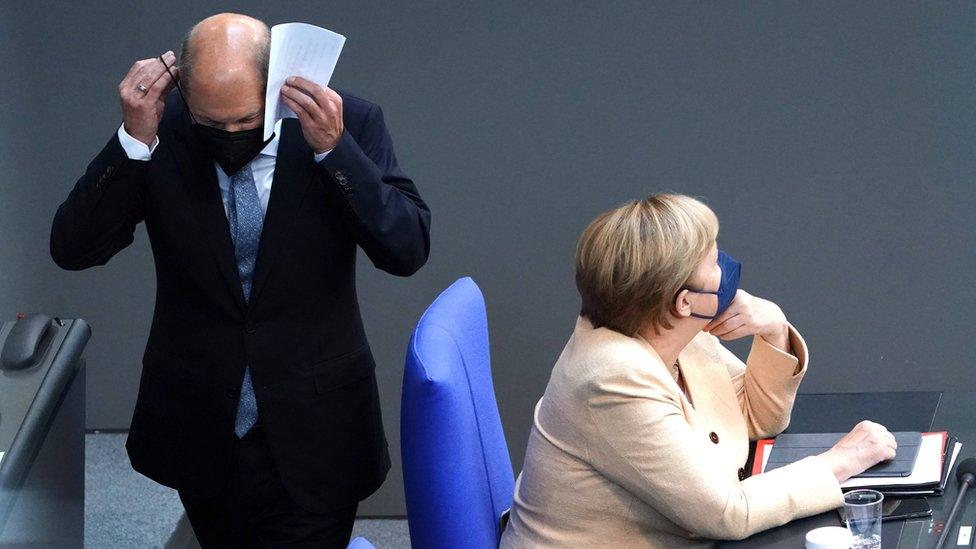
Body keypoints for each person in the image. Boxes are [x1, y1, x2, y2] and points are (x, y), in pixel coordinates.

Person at [50, 13, 430, 548]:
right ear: (183, 88)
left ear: (276, 81)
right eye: (213, 125)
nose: (229, 137)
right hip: (200, 423)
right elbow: (73, 248)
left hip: (316, 425)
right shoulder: (163, 126)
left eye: (246, 121)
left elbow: (406, 248)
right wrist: (133, 141)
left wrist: (335, 152)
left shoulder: (347, 120)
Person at [500, 194, 894, 547]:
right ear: (684, 301)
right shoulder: (611, 378)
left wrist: (773, 329)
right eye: (712, 260)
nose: (725, 267)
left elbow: (758, 418)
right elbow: (728, 513)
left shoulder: (669, 331)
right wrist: (842, 459)